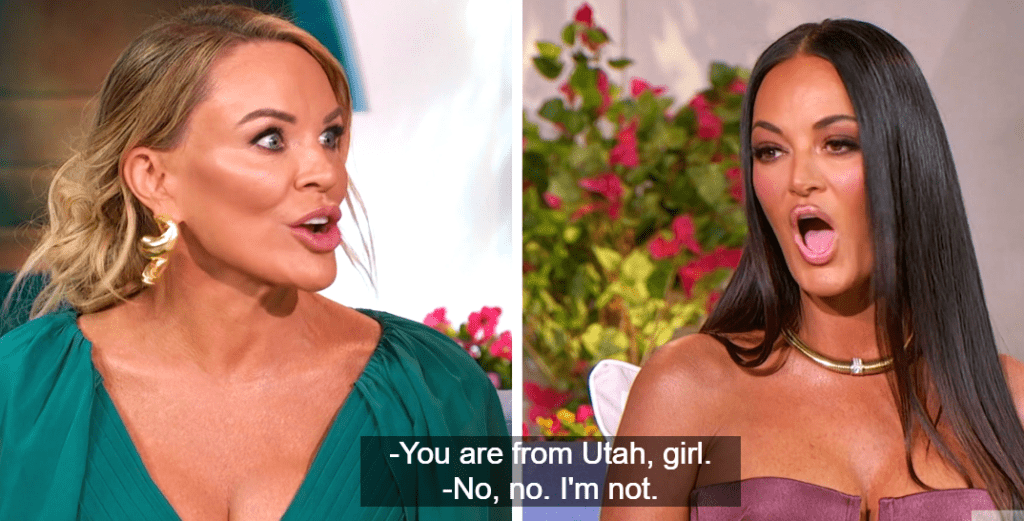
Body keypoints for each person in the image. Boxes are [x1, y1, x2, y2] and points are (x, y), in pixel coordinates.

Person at [0, 5, 507, 520]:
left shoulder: (432, 394)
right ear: (155, 179)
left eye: (330, 136)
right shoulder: (20, 392)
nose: (324, 172)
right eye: (270, 139)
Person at [607, 19, 1024, 520]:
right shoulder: (683, 388)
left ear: (906, 162)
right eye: (770, 151)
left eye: (837, 143)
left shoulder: (1009, 404)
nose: (799, 179)